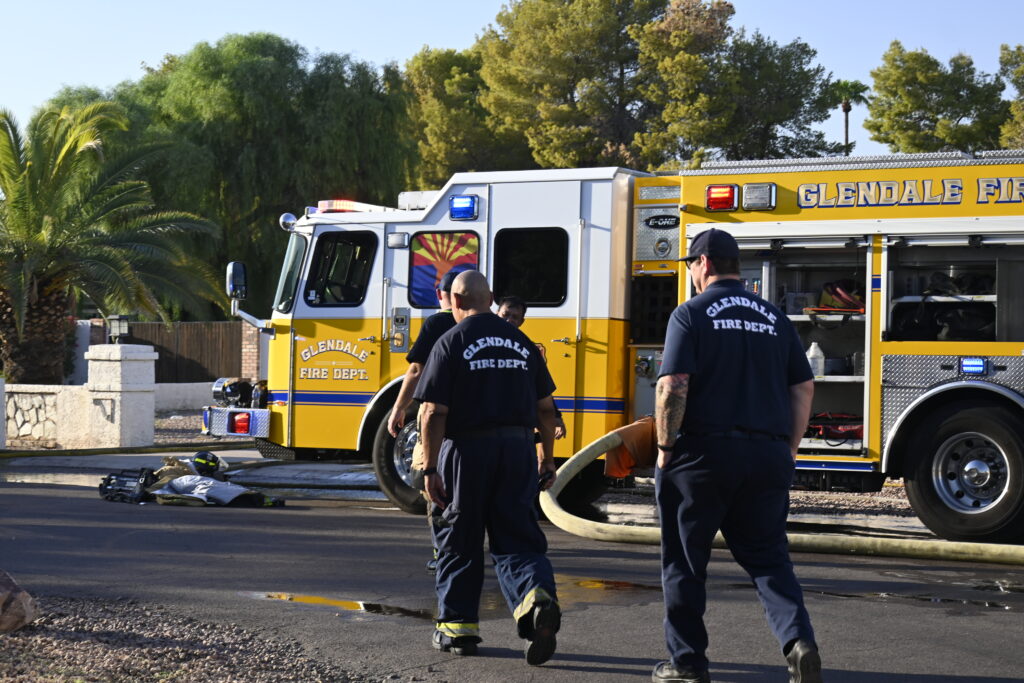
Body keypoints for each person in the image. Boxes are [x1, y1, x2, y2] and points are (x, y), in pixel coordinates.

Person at [652, 228, 821, 683]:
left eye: (691, 264)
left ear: (704, 263)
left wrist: (665, 448)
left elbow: (673, 385)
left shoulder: (690, 313)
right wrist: (788, 448)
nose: (691, 272)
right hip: (766, 455)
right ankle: (798, 642)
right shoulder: (774, 317)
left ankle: (687, 664)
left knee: (685, 563)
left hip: (702, 456)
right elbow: (804, 386)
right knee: (769, 559)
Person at [414, 270, 562, 665]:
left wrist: (430, 468)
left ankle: (457, 629)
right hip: (517, 450)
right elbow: (545, 409)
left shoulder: (451, 340)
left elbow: (432, 412)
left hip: (467, 451)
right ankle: (536, 598)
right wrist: (547, 458)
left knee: (459, 538)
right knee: (519, 537)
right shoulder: (522, 343)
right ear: (491, 297)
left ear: (456, 301)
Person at [388, 269, 459, 573]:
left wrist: (398, 407)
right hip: (476, 418)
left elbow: (416, 370)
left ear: (439, 294)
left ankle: (443, 553)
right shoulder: (482, 324)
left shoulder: (437, 323)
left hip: (437, 415)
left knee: (432, 483)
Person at [496, 295, 566, 441]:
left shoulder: (528, 350)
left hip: (516, 428)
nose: (509, 320)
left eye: (515, 317)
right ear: (497, 314)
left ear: (522, 322)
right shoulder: (481, 342)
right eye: (505, 315)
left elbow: (541, 388)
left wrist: (557, 417)